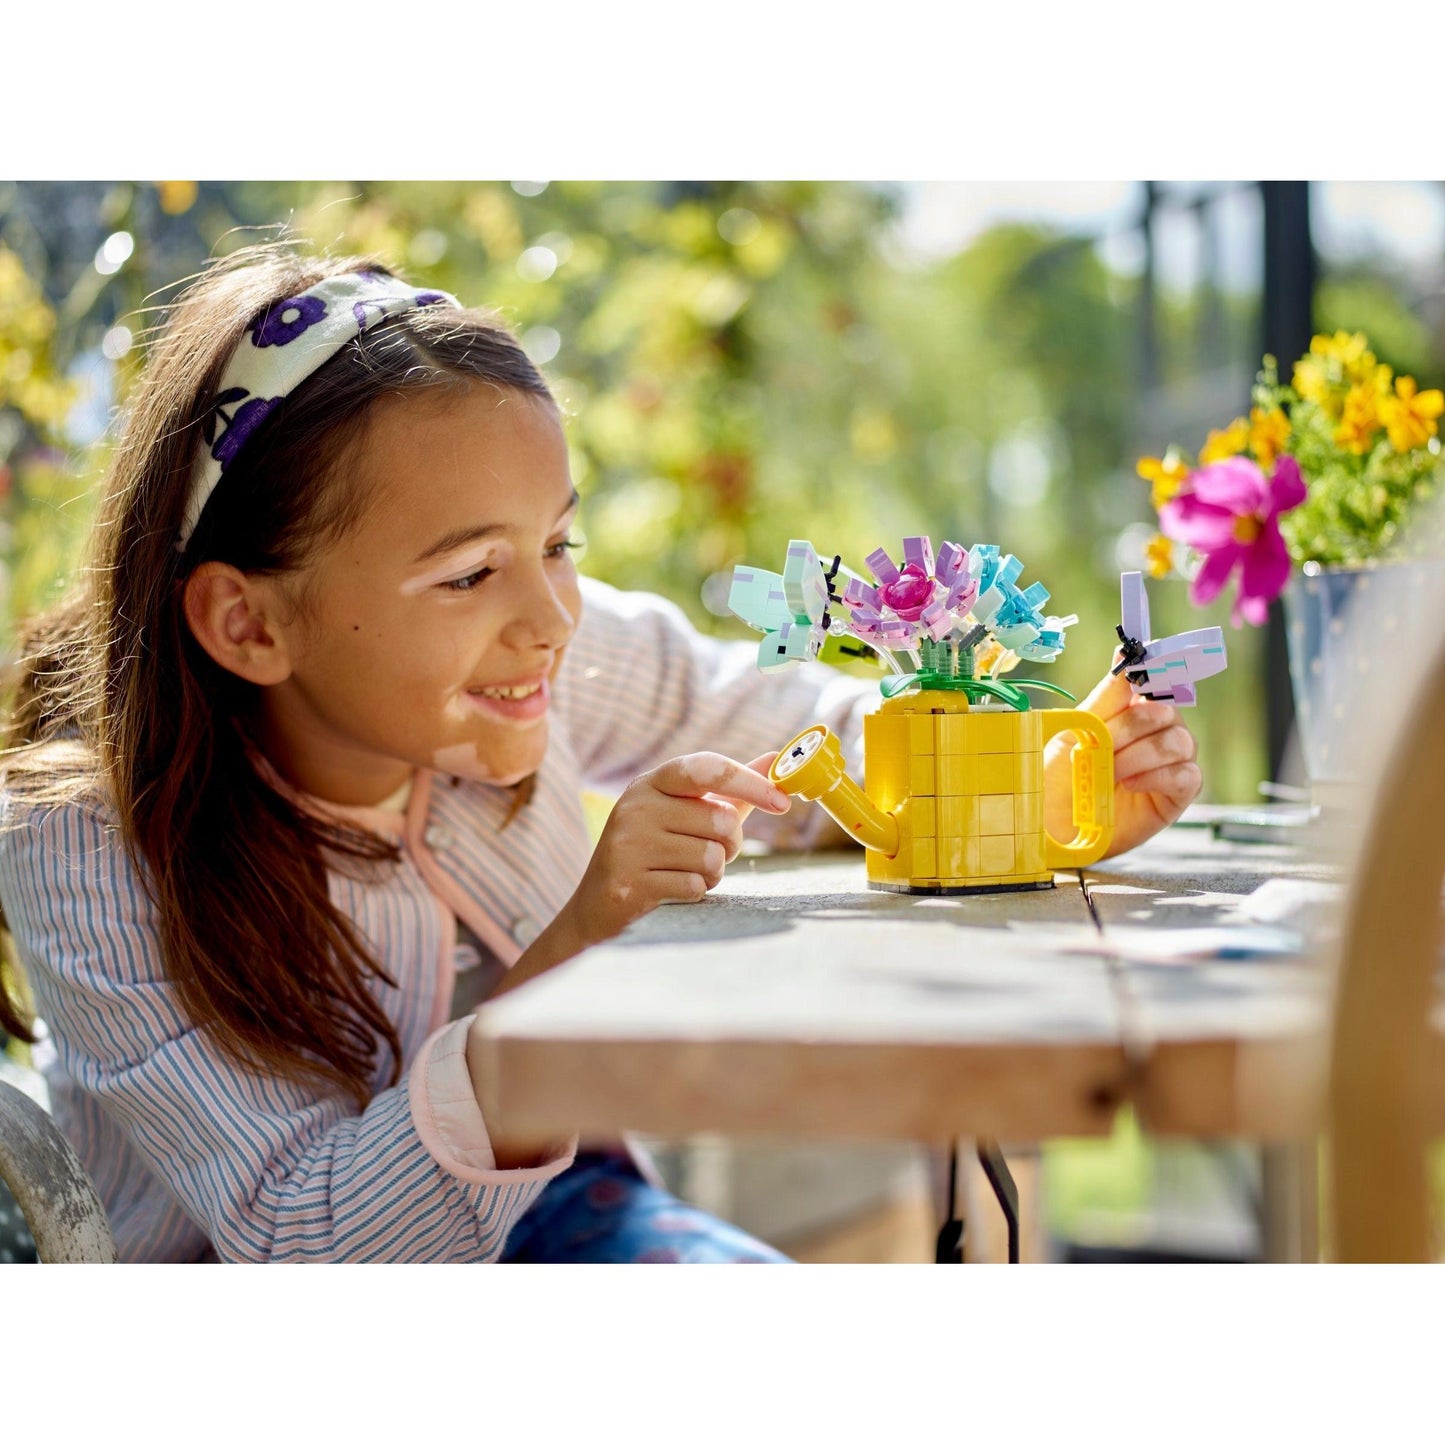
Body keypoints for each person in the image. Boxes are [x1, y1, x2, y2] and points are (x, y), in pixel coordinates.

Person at [0, 248, 1201, 1263]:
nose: (552, 616)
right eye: (471, 571)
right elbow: (307, 1240)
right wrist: (579, 939)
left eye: (558, 542)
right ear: (249, 622)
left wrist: (1038, 785)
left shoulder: (537, 655)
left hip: (558, 1213)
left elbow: (796, 733)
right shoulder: (86, 842)